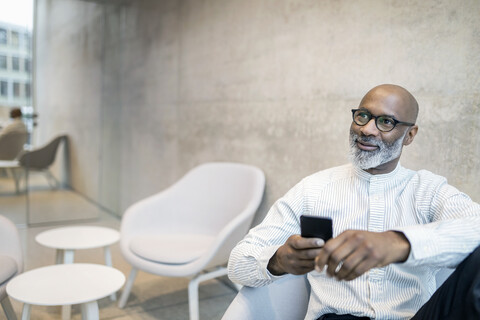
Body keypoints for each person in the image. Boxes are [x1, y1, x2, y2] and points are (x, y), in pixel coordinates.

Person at [228, 84, 480, 320]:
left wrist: (398, 243)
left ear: (409, 135)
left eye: (385, 122)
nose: (367, 129)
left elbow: (475, 227)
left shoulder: (429, 189)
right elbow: (238, 263)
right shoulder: (313, 188)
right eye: (362, 116)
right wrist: (278, 260)